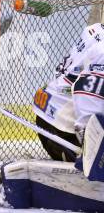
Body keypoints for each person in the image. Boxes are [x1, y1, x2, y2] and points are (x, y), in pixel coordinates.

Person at [2, 23, 104, 211]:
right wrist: (90, 144)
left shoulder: (97, 29)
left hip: (54, 114)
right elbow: (85, 91)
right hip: (64, 128)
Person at [33, 23, 104, 162]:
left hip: (50, 114)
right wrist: (92, 149)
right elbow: (86, 96)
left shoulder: (95, 29)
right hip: (63, 130)